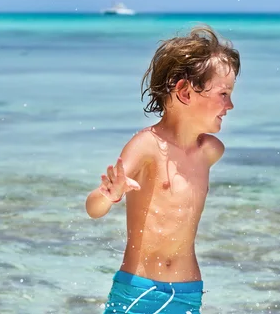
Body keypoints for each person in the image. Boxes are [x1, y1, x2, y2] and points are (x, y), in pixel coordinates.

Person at [85, 25, 240, 314]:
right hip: (138, 290)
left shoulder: (210, 152)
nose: (230, 104)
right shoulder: (146, 145)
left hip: (188, 291)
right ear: (184, 91)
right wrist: (109, 194)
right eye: (223, 94)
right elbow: (93, 208)